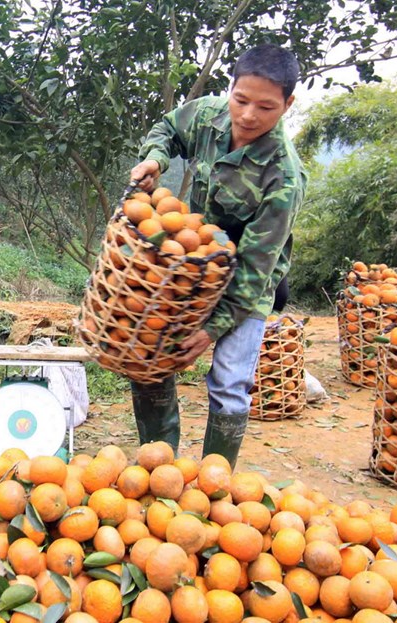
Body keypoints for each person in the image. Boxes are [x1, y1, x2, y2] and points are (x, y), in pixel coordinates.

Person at [128, 44, 306, 467]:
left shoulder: (284, 178)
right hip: (190, 268)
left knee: (229, 382)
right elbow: (167, 129)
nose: (248, 115)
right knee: (151, 358)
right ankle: (160, 468)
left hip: (249, 282)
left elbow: (254, 271)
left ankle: (213, 484)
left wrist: (211, 330)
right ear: (231, 89)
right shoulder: (208, 115)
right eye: (241, 99)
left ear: (287, 104)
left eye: (265, 106)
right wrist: (155, 158)